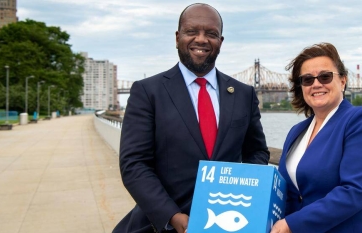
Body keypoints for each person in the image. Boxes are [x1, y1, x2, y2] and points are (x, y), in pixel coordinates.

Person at [113, 3, 269, 233]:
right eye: (191, 31)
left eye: (211, 34)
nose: (202, 39)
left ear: (221, 42)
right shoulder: (148, 92)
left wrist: (243, 188)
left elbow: (257, 152)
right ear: (177, 38)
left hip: (225, 223)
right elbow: (134, 164)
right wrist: (173, 217)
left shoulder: (244, 94)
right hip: (163, 225)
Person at [271, 43, 362, 233]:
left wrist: (293, 224)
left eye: (325, 76)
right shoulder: (297, 131)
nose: (316, 84)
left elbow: (355, 191)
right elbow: (289, 193)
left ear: (342, 81)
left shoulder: (359, 120)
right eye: (307, 79)